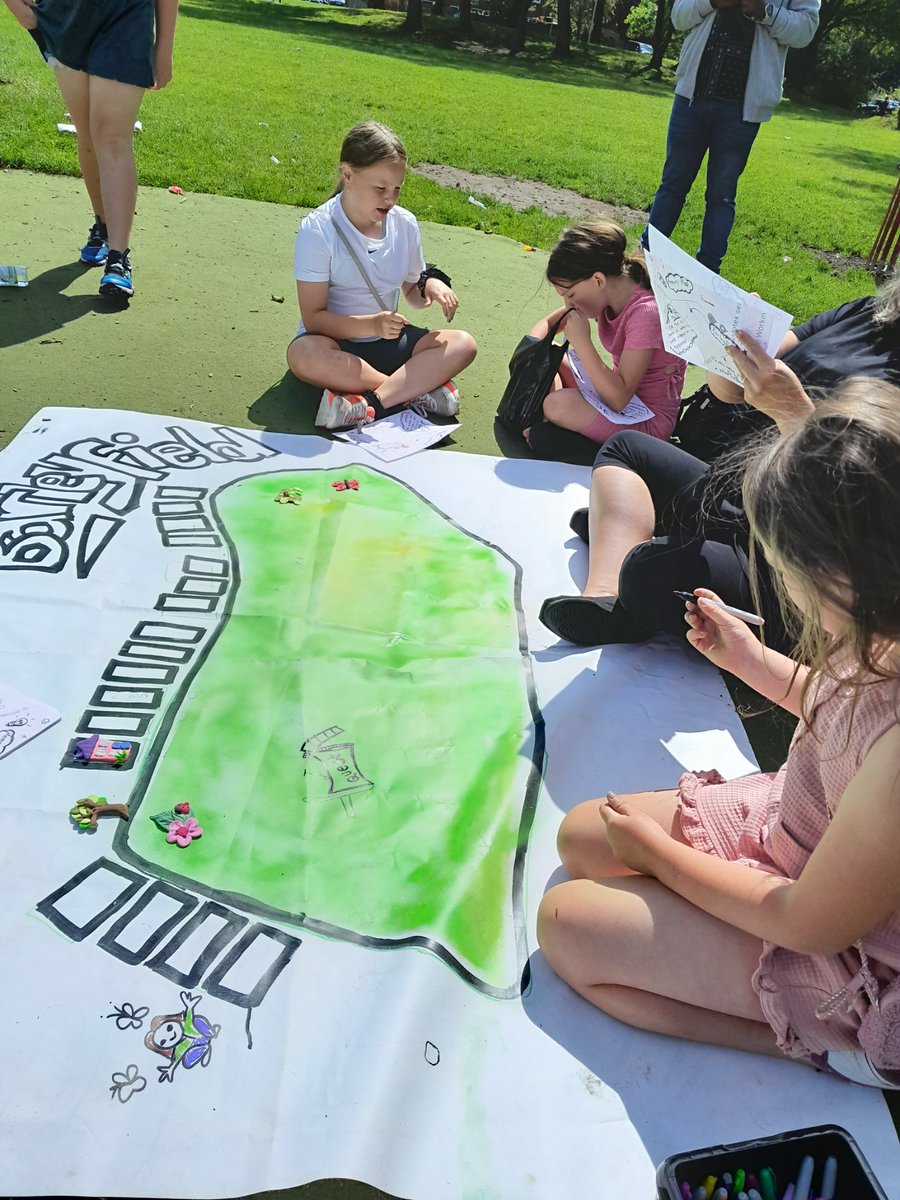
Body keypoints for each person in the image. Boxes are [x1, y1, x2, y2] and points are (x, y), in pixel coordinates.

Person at [538, 379, 900, 1087]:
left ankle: (819, 1047)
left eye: (785, 567)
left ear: (841, 575)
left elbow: (807, 925)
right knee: (582, 833)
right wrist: (749, 660)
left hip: (847, 954)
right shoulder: (881, 632)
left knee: (566, 925)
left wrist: (664, 863)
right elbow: (836, 712)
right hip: (800, 831)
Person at [539, 275, 900, 646]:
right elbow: (731, 391)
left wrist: (794, 416)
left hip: (799, 559)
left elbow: (872, 511)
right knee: (626, 448)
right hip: (742, 487)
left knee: (649, 570)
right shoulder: (870, 312)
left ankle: (640, 538)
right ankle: (605, 595)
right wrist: (730, 343)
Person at [287, 121, 477, 432]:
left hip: (389, 341)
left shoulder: (404, 224)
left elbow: (413, 295)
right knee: (303, 355)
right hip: (336, 344)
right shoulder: (318, 229)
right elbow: (313, 319)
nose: (390, 199)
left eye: (397, 189)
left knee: (463, 344)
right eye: (380, 189)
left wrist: (431, 284)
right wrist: (371, 324)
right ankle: (414, 390)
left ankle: (368, 404)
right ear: (348, 175)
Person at [3, 0, 179, 301]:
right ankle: (103, 223)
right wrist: (20, 10)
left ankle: (118, 257)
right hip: (67, 20)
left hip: (128, 18)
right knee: (87, 134)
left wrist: (164, 47)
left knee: (111, 137)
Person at [645, 0, 819, 275]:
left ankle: (706, 277)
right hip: (692, 96)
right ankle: (644, 262)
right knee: (672, 184)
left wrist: (765, 12)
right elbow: (678, 16)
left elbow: (806, 30)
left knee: (721, 196)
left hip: (742, 110)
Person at [523, 222, 686, 462]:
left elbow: (618, 399)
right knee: (552, 360)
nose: (568, 306)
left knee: (558, 405)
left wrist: (583, 343)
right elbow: (543, 330)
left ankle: (595, 448)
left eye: (570, 295)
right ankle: (555, 430)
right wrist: (532, 351)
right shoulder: (608, 293)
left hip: (646, 421)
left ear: (598, 280)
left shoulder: (645, 313)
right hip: (619, 401)